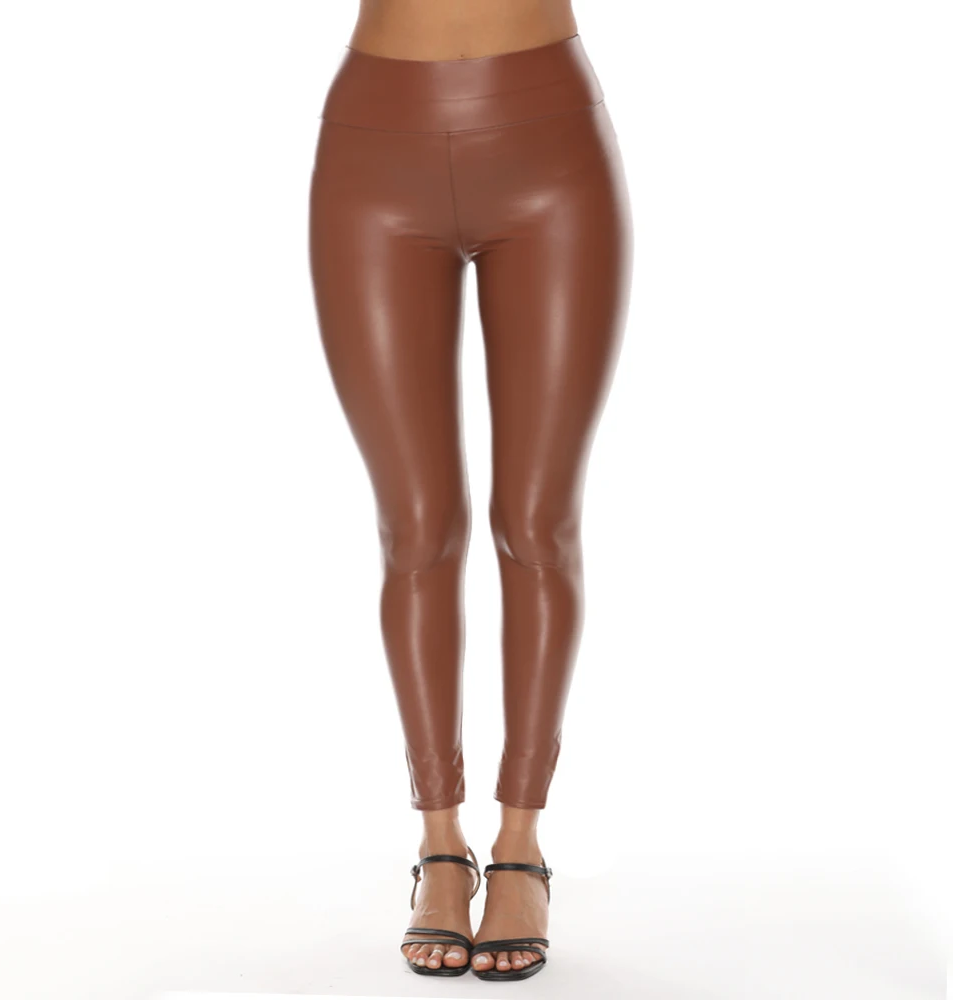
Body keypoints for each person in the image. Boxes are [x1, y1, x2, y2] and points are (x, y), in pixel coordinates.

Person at [308, 0, 632, 981]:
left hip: (548, 142)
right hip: (373, 149)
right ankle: (440, 843)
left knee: (538, 522)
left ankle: (520, 845)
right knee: (414, 529)